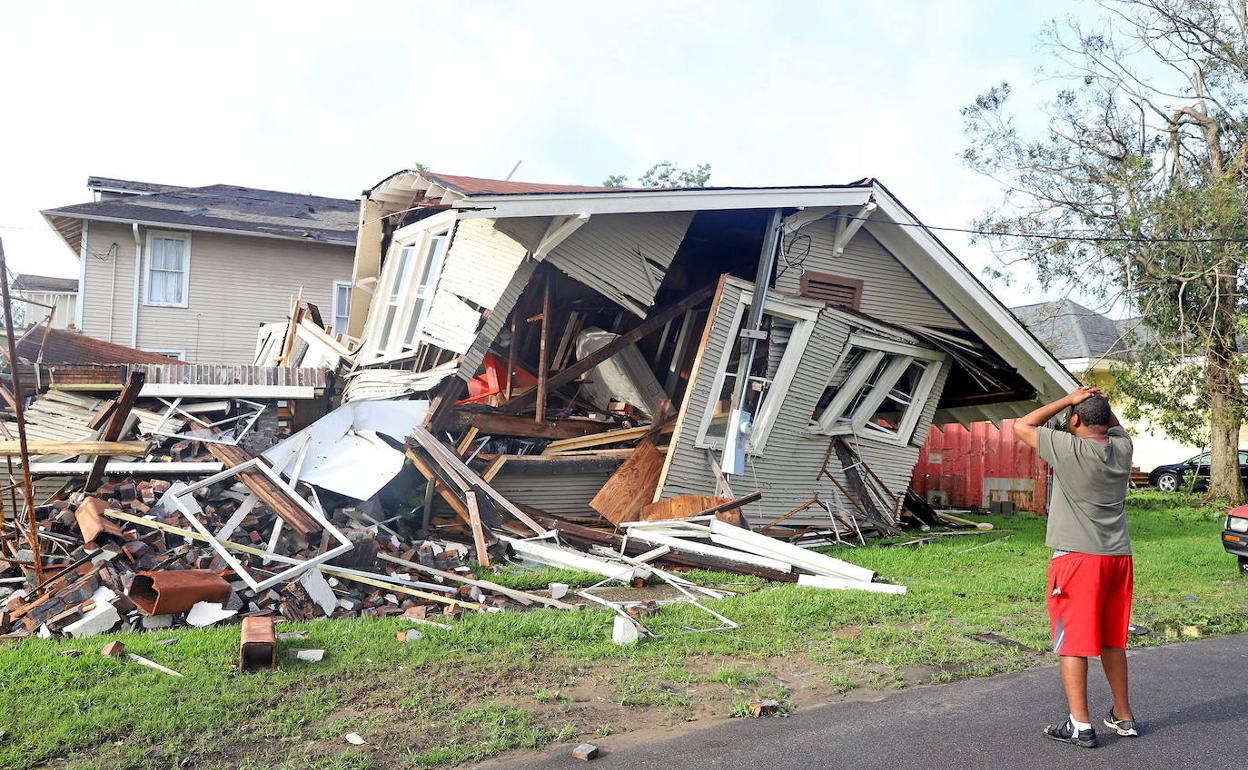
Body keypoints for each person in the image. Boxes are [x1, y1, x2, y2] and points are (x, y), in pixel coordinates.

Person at [1014, 385, 1138, 748]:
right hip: (1118, 558)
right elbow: (1112, 426)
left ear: (1075, 420)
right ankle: (1123, 716)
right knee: (1111, 640)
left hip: (1078, 560)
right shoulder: (1122, 449)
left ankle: (1080, 725)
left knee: (1073, 643)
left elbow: (1023, 424)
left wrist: (1071, 399)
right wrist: (1097, 406)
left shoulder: (1069, 448)